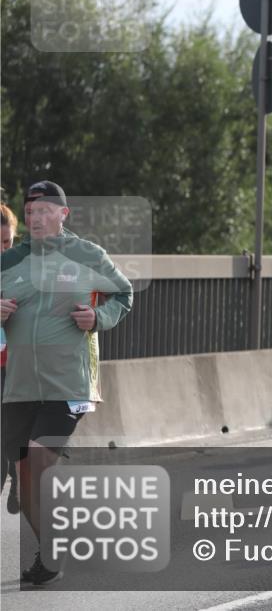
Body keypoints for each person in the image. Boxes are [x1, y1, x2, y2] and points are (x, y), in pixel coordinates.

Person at [1, 181, 133, 585]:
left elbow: (123, 294)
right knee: (24, 485)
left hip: (67, 386)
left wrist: (99, 319)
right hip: (19, 387)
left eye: (45, 211)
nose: (36, 218)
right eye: (30, 212)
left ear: (63, 214)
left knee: (39, 464)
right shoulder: (11, 260)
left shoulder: (87, 255)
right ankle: (52, 551)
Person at [1, 203, 18, 513]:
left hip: (16, 367)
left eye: (7, 242)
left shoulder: (23, 270)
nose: (3, 249)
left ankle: (18, 477)